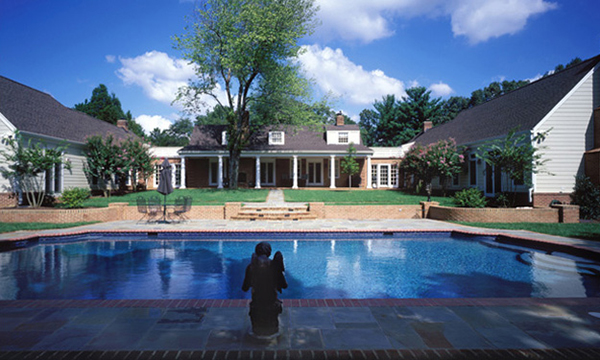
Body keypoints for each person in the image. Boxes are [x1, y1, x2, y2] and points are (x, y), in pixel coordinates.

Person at [242, 242, 288, 336]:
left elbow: (245, 288)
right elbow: (284, 285)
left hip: (257, 304)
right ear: (269, 252)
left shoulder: (251, 267)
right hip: (271, 303)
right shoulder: (274, 266)